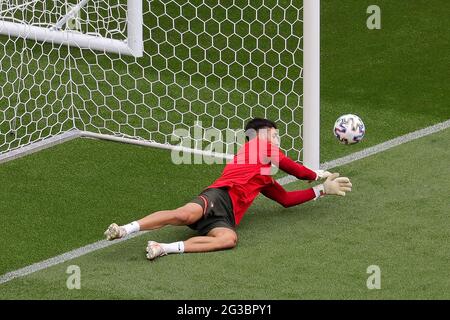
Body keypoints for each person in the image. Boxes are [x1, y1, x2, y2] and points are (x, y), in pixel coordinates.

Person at [104, 118, 352, 261]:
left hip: (227, 217)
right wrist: (317, 174)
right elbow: (293, 168)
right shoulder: (257, 146)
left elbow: (286, 199)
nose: (278, 140)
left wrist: (321, 190)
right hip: (217, 195)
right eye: (276, 135)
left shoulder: (263, 174)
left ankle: (164, 248)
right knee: (184, 215)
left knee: (229, 239)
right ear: (261, 134)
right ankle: (126, 229)